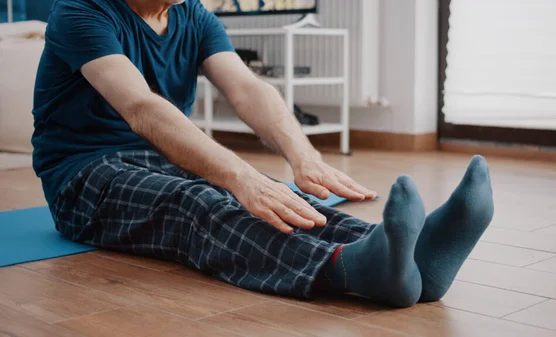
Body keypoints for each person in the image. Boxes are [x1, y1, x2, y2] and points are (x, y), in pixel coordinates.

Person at [32, 0, 494, 307]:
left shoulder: (192, 16)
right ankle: (349, 268)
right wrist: (241, 175)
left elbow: (248, 88)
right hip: (84, 176)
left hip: (161, 159)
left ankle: (413, 260)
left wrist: (303, 155)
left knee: (276, 195)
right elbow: (141, 108)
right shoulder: (81, 11)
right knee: (200, 202)